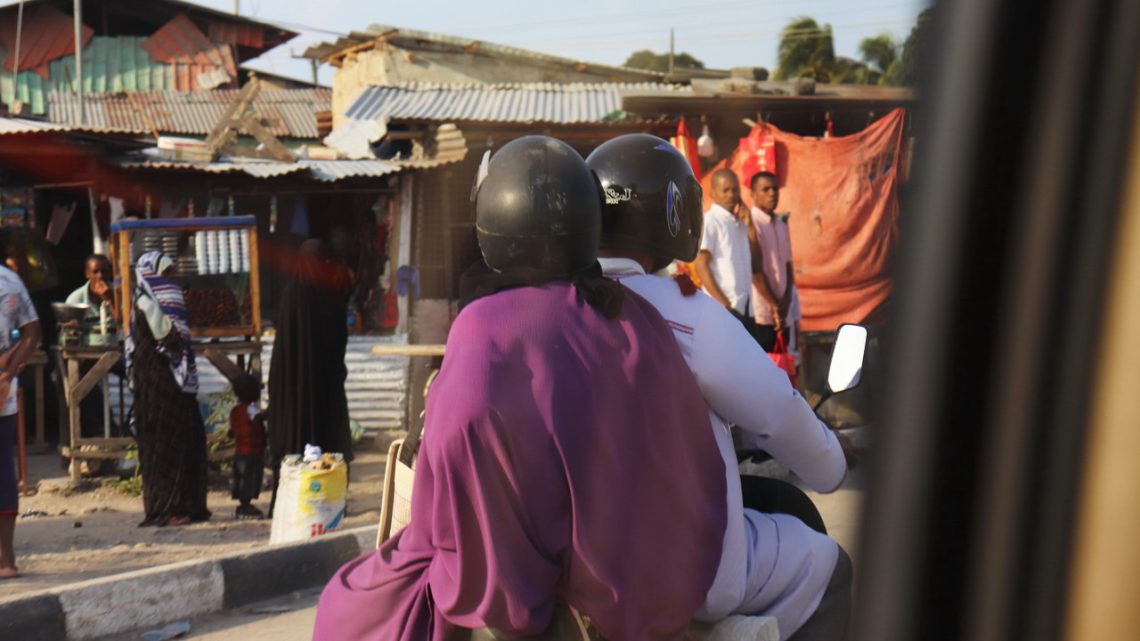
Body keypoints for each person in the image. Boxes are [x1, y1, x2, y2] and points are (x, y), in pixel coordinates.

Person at [312, 136, 728, 641]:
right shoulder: (636, 315)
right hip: (657, 584)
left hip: (534, 593)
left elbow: (458, 477)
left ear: (493, 227)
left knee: (345, 603)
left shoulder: (484, 327)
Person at [587, 134, 851, 640]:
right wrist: (831, 463)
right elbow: (776, 410)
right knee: (828, 565)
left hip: (588, 561)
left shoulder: (554, 309)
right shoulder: (683, 311)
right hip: (689, 568)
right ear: (673, 214)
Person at [267, 238, 353, 515]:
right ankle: (328, 499)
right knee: (328, 437)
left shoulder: (291, 295)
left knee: (297, 436)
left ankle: (291, 500)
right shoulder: (331, 296)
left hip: (294, 390)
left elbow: (283, 350)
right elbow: (339, 342)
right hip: (325, 387)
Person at [125, 251, 210, 527]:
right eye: (164, 275)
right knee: (165, 447)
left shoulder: (157, 301)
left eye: (171, 275)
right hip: (158, 387)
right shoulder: (147, 303)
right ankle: (167, 508)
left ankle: (189, 504)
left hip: (175, 386)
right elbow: (169, 338)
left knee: (188, 441)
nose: (170, 281)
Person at [694, 169, 769, 346]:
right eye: (725, 190)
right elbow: (701, 266)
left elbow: (756, 267)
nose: (731, 195)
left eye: (735, 190)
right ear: (713, 193)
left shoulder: (740, 223)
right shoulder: (711, 220)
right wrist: (725, 306)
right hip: (724, 310)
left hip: (745, 308)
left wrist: (750, 227)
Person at [0, 265, 41, 579]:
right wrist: (8, 373)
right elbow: (32, 332)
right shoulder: (10, 280)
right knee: (3, 467)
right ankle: (6, 558)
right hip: (3, 387)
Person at [749, 172, 801, 353]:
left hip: (784, 308)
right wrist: (775, 305)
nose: (772, 193)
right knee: (764, 361)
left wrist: (786, 300)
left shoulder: (780, 223)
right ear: (753, 194)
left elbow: (787, 264)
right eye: (766, 189)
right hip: (762, 311)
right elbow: (755, 272)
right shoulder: (751, 224)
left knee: (785, 361)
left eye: (775, 189)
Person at [229, 373, 266, 520]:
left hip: (239, 451)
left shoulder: (235, 411)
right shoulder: (251, 410)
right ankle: (246, 507)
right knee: (250, 478)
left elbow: (232, 431)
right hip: (252, 451)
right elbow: (261, 417)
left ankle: (242, 505)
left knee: (241, 478)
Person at [65, 254, 118, 326]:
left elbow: (124, 323)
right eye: (95, 272)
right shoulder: (76, 299)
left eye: (104, 271)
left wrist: (111, 299)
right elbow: (68, 329)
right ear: (87, 274)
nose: (100, 276)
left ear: (109, 272)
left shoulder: (119, 293)